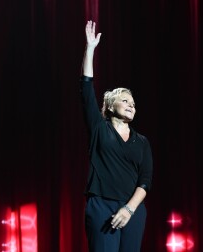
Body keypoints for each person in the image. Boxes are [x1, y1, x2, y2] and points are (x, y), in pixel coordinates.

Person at [80, 20, 153, 252]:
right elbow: (86, 87)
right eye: (124, 100)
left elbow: (145, 181)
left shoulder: (141, 141)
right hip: (101, 205)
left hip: (133, 210)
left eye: (133, 103)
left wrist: (129, 209)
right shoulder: (100, 128)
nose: (131, 105)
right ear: (111, 107)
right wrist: (90, 48)